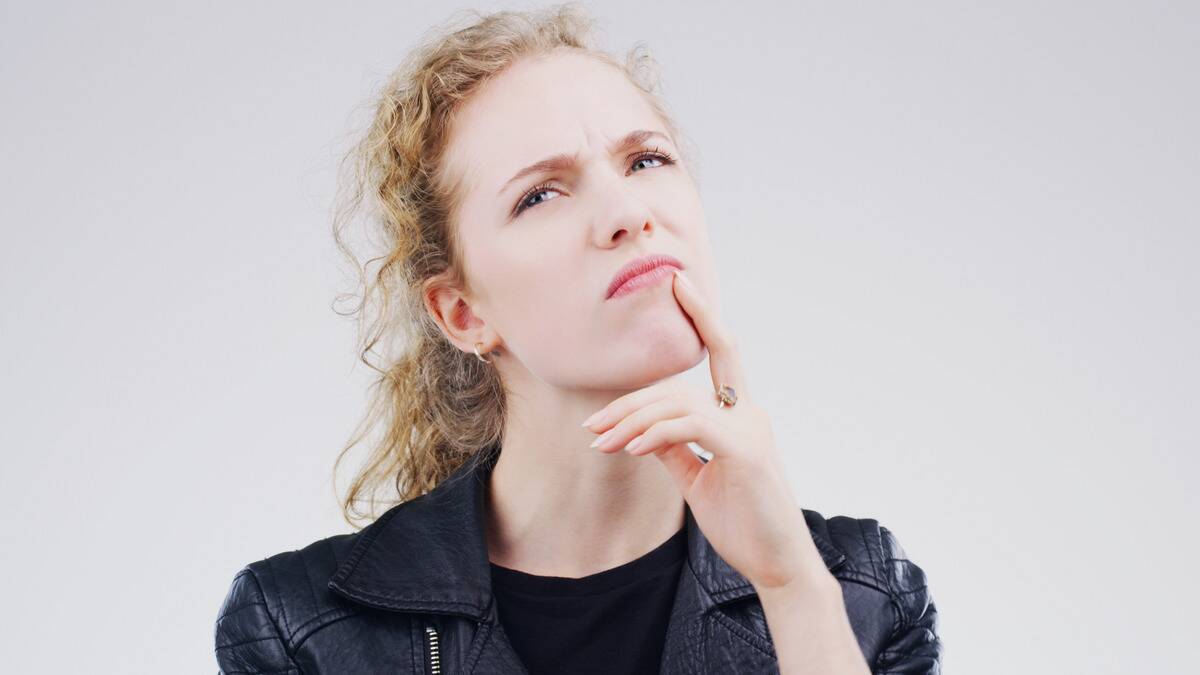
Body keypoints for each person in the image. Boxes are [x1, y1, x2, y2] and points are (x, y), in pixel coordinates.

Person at [213, 4, 943, 673]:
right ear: (463, 312)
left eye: (646, 160)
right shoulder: (302, 629)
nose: (627, 211)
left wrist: (792, 587)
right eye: (541, 194)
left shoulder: (864, 593)